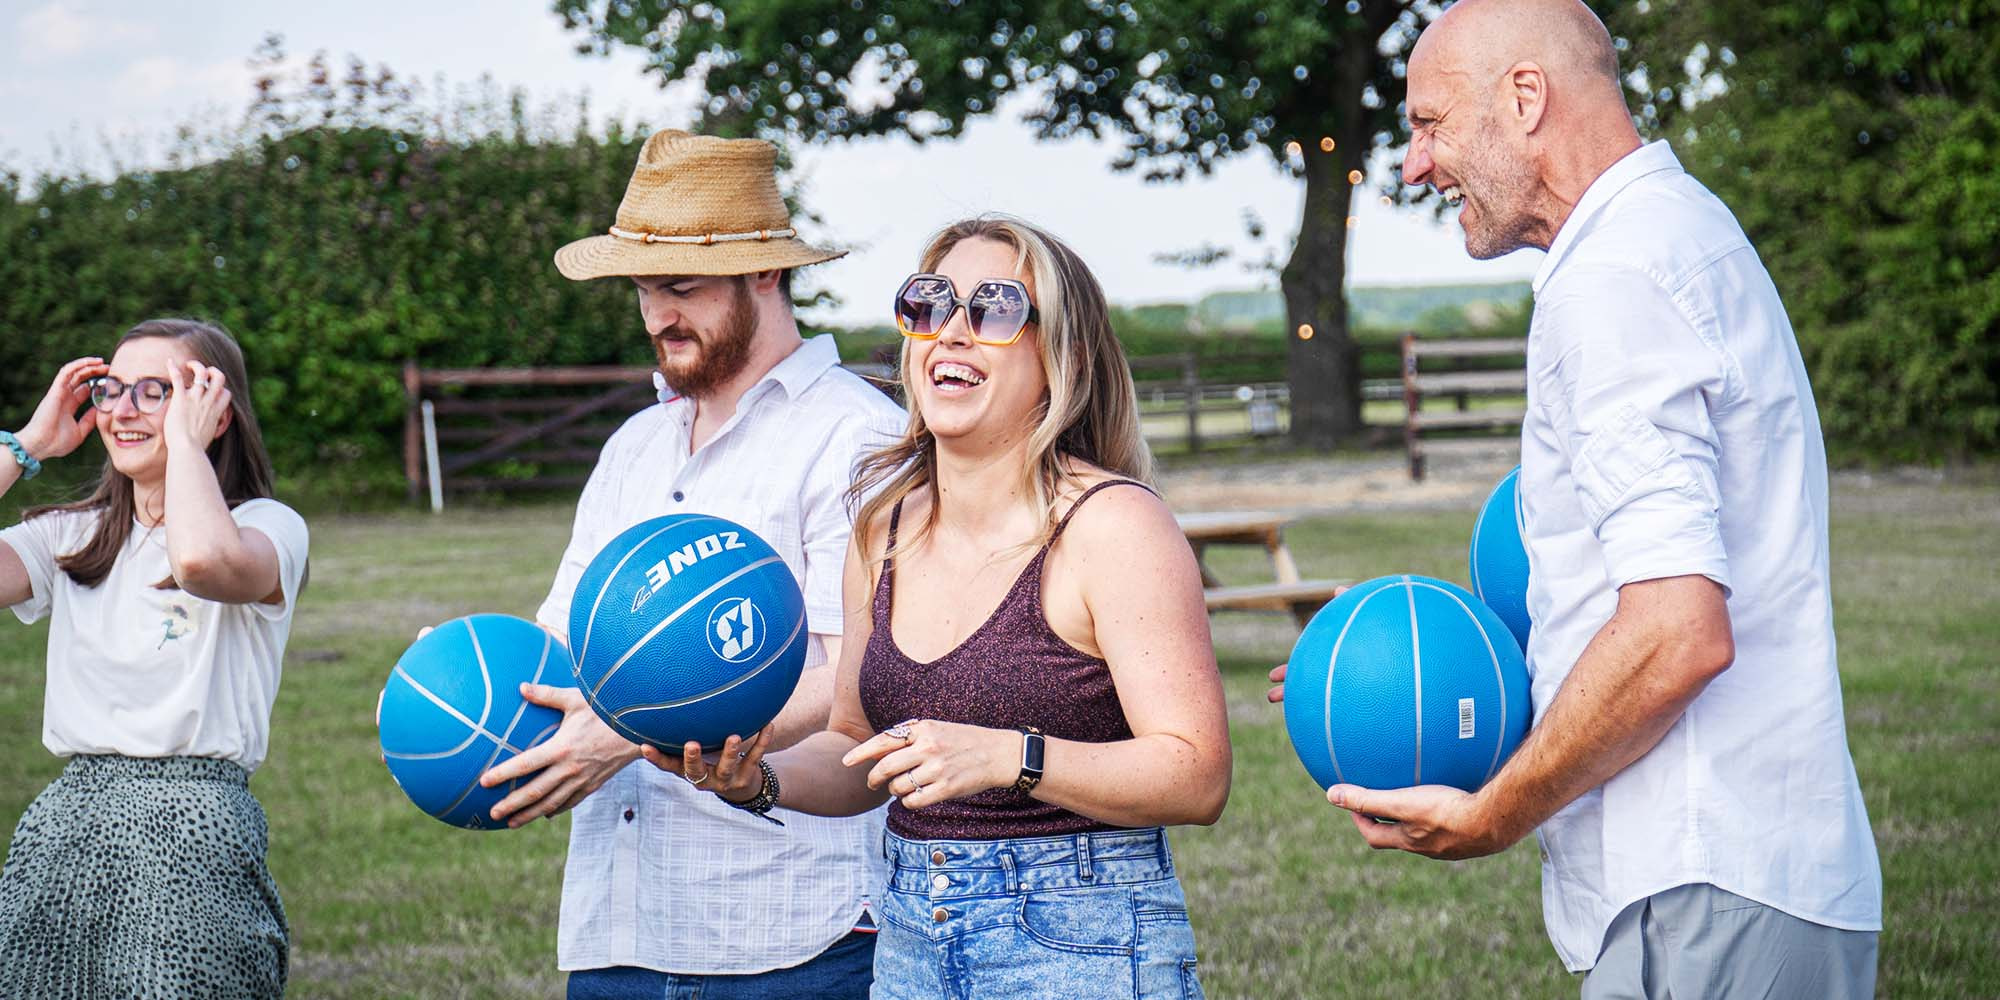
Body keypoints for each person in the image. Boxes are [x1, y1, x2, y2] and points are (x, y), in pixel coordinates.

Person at [1270, 1, 1882, 996]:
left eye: (1428, 124)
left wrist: (1497, 811)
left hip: (1697, 883)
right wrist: (1380, 674)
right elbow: (1626, 601)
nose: (1412, 165)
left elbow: (1675, 633)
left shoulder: (1613, 276)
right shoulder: (1677, 229)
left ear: (1524, 97)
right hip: (1740, 875)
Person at [655, 216, 1232, 999]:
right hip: (910, 942)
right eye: (929, 304)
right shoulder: (882, 526)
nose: (951, 332)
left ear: (1062, 354)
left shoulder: (1112, 526)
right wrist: (759, 782)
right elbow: (859, 745)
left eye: (993, 309)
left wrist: (1009, 757)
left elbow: (1196, 775)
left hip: (1081, 942)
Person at [473, 129, 906, 1000]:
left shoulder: (854, 436)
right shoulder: (635, 445)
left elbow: (852, 676)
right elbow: (564, 646)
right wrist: (463, 679)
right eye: (642, 289)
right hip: (618, 926)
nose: (656, 315)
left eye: (681, 287)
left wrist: (637, 728)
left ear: (765, 273)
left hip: (788, 928)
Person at [0, 319, 308, 999]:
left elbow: (200, 562)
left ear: (211, 408)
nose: (122, 410)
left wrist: (187, 447)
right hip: (65, 825)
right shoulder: (74, 537)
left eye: (154, 391)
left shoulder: (269, 528)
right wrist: (25, 447)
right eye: (111, 389)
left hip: (194, 833)